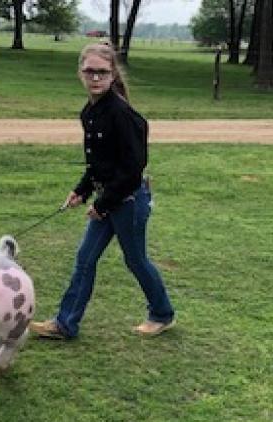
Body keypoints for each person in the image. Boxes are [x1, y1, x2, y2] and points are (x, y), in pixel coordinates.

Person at [29, 42, 176, 339]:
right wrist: (82, 190)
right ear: (80, 73)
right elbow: (99, 162)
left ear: (112, 75)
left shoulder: (122, 114)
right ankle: (65, 324)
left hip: (129, 200)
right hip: (110, 199)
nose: (95, 78)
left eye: (102, 72)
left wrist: (103, 204)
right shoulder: (90, 112)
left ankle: (162, 314)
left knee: (135, 260)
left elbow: (133, 169)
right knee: (85, 258)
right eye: (89, 71)